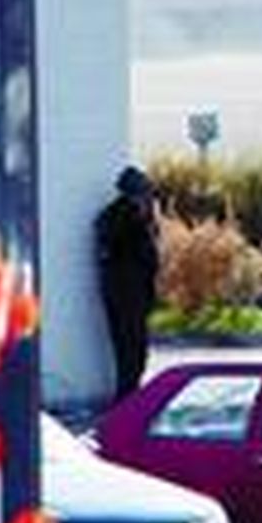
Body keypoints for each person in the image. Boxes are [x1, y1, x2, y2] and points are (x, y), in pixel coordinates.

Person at [96, 166, 161, 401]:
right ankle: (126, 397)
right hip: (125, 293)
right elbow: (129, 252)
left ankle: (128, 394)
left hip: (133, 292)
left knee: (134, 349)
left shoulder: (137, 215)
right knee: (130, 349)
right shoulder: (122, 216)